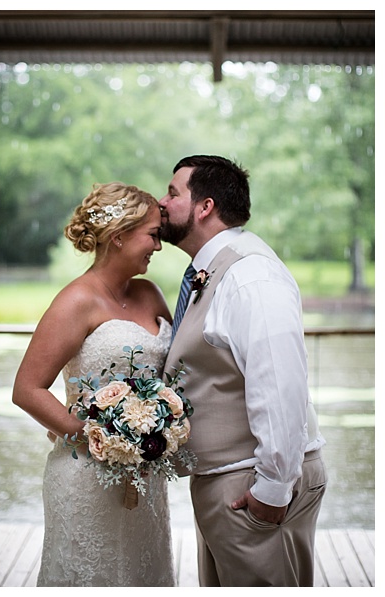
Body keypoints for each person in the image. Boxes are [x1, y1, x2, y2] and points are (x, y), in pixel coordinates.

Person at [159, 154, 327, 586]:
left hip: (254, 485)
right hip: (229, 482)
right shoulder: (214, 270)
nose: (163, 202)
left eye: (173, 192)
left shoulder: (251, 275)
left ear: (205, 207)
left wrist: (272, 488)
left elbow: (280, 383)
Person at [12, 182, 175, 586]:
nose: (159, 246)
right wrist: (93, 432)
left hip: (146, 476)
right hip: (86, 476)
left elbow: (170, 376)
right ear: (119, 236)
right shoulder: (76, 301)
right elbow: (27, 388)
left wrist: (156, 428)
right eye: (153, 235)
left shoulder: (150, 293)